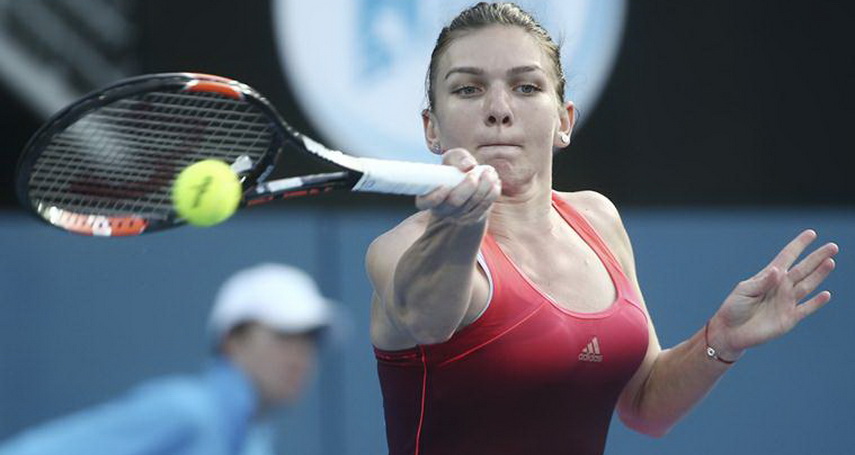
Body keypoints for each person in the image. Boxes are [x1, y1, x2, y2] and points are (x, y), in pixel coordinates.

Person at [365, 3, 840, 455]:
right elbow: (429, 320)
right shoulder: (400, 249)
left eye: (526, 87)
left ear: (564, 121)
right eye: (468, 89)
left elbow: (645, 405)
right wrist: (461, 225)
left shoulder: (597, 219)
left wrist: (721, 340)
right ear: (431, 129)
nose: (499, 109)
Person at [0, 263, 336, 455]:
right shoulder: (188, 411)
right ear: (232, 342)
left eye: (311, 341)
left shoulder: (256, 442)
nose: (300, 357)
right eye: (284, 336)